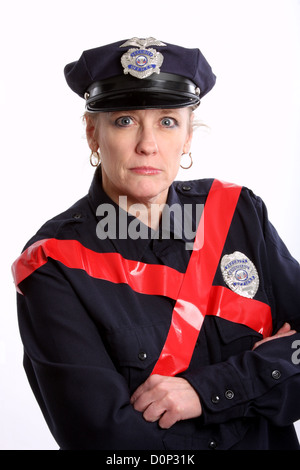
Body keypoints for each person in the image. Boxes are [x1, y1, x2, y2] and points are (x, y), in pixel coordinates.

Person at [12, 37, 300, 450]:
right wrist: (265, 378)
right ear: (93, 133)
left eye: (167, 122)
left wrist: (208, 391)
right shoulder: (52, 262)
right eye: (124, 120)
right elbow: (106, 440)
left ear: (187, 137)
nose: (148, 144)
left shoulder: (238, 212)